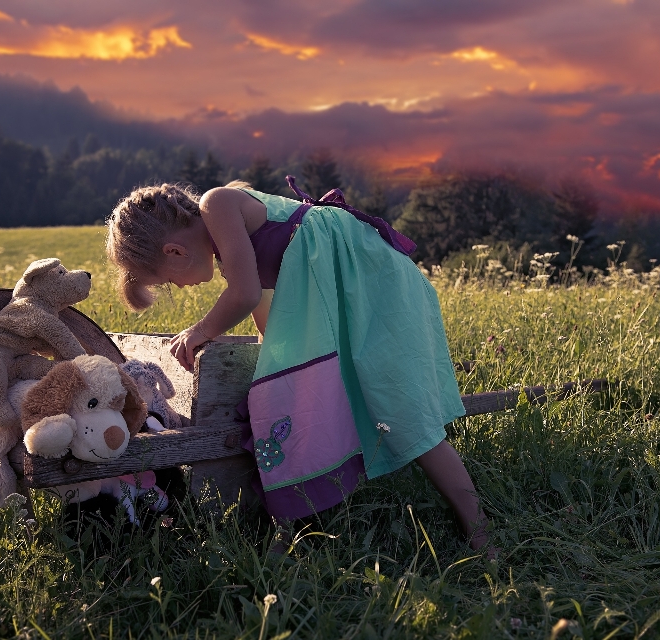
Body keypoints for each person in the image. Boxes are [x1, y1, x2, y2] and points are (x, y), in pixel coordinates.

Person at [105, 177, 492, 552]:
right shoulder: (231, 248)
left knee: (404, 411)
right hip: (353, 296)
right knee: (293, 396)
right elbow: (268, 323)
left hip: (378, 289)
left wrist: (201, 331)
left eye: (168, 282)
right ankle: (293, 519)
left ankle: (479, 529)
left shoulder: (218, 204)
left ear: (175, 251)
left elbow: (245, 294)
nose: (180, 288)